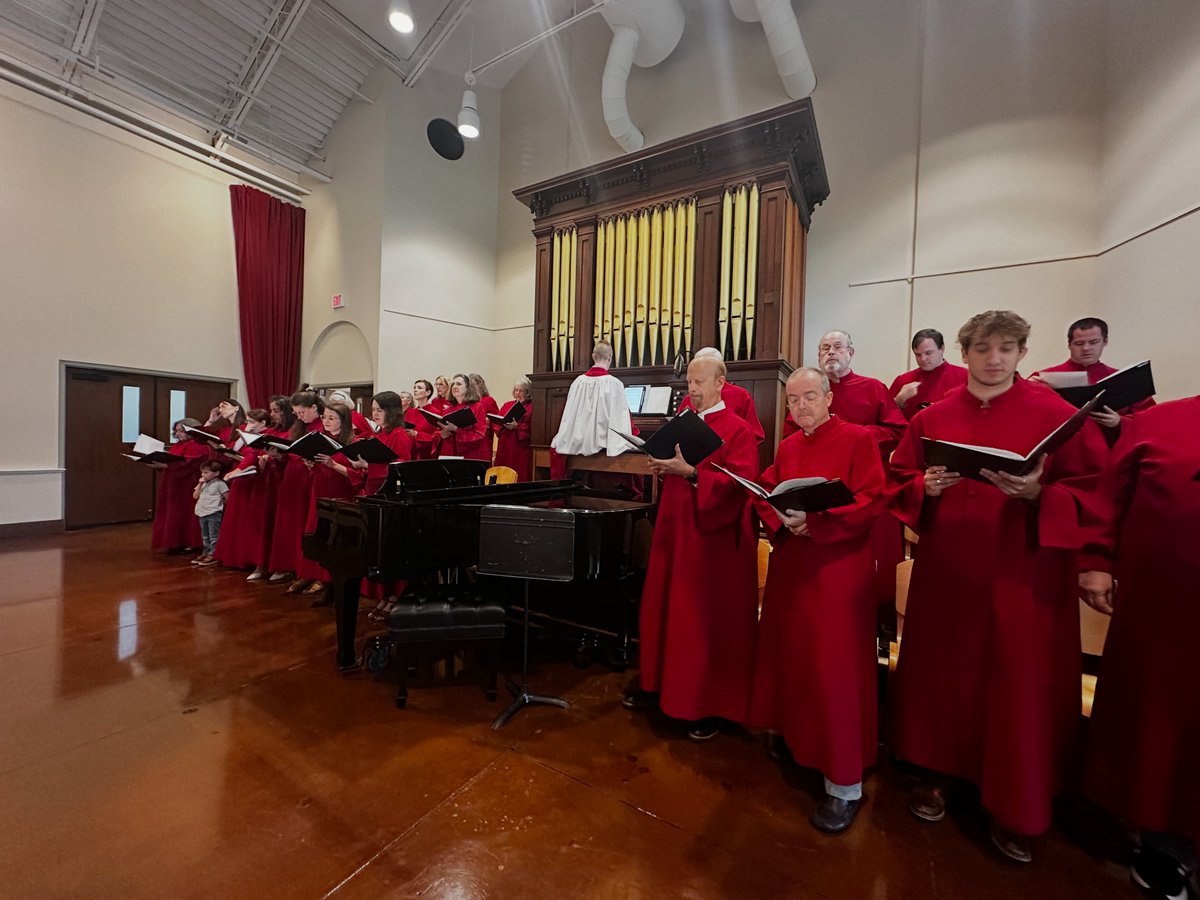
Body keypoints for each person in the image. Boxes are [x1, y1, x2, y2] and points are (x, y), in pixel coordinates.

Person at [886, 310, 1110, 863]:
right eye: (984, 349)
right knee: (944, 677)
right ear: (966, 354)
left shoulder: (1058, 416)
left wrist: (1039, 496)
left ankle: (1015, 803)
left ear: (1021, 354)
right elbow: (900, 479)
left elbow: (1096, 492)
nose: (994, 359)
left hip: (1022, 574)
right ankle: (939, 776)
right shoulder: (932, 417)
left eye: (1006, 349)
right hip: (949, 574)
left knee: (1017, 686)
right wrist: (926, 488)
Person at [748, 368, 885, 834]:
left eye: (810, 396)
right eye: (793, 401)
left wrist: (818, 524)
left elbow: (870, 499)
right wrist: (781, 517)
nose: (801, 406)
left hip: (837, 570)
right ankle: (799, 741)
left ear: (829, 398)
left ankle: (843, 785)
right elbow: (767, 492)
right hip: (795, 569)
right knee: (795, 659)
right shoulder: (788, 447)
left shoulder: (858, 438)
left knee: (835, 670)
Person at [1083, 395, 1199, 899]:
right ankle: (1165, 840)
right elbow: (1110, 496)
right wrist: (1097, 560)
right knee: (1163, 722)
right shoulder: (1158, 422)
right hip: (1167, 609)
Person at [624, 356, 759, 743]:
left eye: (700, 382)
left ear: (721, 383)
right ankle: (658, 685)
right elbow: (675, 465)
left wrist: (695, 474)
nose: (693, 390)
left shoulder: (738, 429)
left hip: (709, 540)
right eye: (689, 383)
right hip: (674, 525)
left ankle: (704, 702)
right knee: (664, 605)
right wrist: (662, 466)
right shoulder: (683, 423)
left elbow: (743, 484)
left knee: (696, 618)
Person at [1030, 317, 1155, 441]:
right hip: (1061, 453)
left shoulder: (1128, 380)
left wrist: (1120, 422)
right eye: (1079, 343)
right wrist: (1028, 389)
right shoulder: (1043, 378)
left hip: (1110, 454)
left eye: (1094, 342)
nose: (1086, 348)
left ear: (1105, 341)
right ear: (1069, 345)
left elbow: (1150, 420)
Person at [292, 402, 364, 603]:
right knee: (321, 540)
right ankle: (324, 583)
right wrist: (311, 464)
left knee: (338, 543)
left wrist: (333, 465)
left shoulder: (353, 442)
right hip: (320, 492)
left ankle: (336, 588)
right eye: (324, 417)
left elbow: (358, 476)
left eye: (332, 418)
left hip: (341, 496)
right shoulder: (321, 439)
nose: (326, 422)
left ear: (344, 420)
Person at [267, 390, 324, 591]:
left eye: (301, 412)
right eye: (296, 413)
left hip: (311, 480)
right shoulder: (299, 427)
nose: (298, 417)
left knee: (310, 528)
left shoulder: (323, 426)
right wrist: (280, 457)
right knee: (294, 527)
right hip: (293, 479)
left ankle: (315, 573)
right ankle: (300, 570)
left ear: (314, 409)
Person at [549, 340, 636, 466]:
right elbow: (621, 418)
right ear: (610, 358)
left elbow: (568, 415)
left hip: (575, 444)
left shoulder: (577, 382)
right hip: (604, 445)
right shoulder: (614, 384)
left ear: (593, 356)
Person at [677, 347, 765, 443]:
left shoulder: (741, 395)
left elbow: (753, 435)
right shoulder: (688, 399)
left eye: (699, 381)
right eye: (689, 381)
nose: (692, 388)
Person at [149, 418, 209, 553]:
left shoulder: (198, 445)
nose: (178, 434)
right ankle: (173, 541)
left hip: (186, 483)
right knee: (171, 511)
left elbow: (191, 464)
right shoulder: (177, 445)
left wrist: (166, 465)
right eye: (176, 431)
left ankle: (188, 542)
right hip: (172, 482)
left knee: (184, 512)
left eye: (181, 431)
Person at [889, 329, 969, 420]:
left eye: (928, 353)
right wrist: (899, 400)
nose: (923, 359)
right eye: (918, 355)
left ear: (942, 349)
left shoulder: (965, 377)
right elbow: (885, 419)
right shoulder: (903, 381)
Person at [349, 391, 414, 495]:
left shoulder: (398, 434)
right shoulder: (379, 433)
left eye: (379, 410)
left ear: (391, 412)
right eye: (373, 410)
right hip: (373, 489)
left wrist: (367, 465)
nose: (375, 414)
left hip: (388, 493)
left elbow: (400, 469)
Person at [437, 374, 492, 461]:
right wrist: (443, 435)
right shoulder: (448, 410)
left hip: (472, 455)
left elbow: (479, 434)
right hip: (451, 453)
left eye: (459, 384)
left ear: (468, 388)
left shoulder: (476, 407)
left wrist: (456, 429)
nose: (454, 387)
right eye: (453, 384)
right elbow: (441, 433)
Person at [493, 378, 533, 481]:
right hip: (504, 444)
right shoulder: (507, 405)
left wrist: (517, 426)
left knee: (518, 472)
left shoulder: (531, 407)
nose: (518, 393)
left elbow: (534, 428)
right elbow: (497, 423)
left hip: (519, 447)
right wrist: (501, 424)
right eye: (516, 390)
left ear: (527, 392)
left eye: (521, 390)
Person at [191, 460, 228, 567]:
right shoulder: (202, 484)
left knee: (214, 535)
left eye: (206, 473)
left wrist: (221, 507)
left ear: (216, 473)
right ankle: (206, 552)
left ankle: (213, 554)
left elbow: (227, 496)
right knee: (205, 535)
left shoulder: (220, 484)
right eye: (202, 472)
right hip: (202, 512)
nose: (203, 475)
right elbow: (195, 496)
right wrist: (199, 484)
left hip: (214, 512)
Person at [405, 379, 440, 460]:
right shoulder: (410, 412)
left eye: (419, 388)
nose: (415, 390)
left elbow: (437, 438)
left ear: (428, 392)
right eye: (414, 388)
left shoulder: (435, 412)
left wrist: (417, 434)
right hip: (410, 455)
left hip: (426, 456)